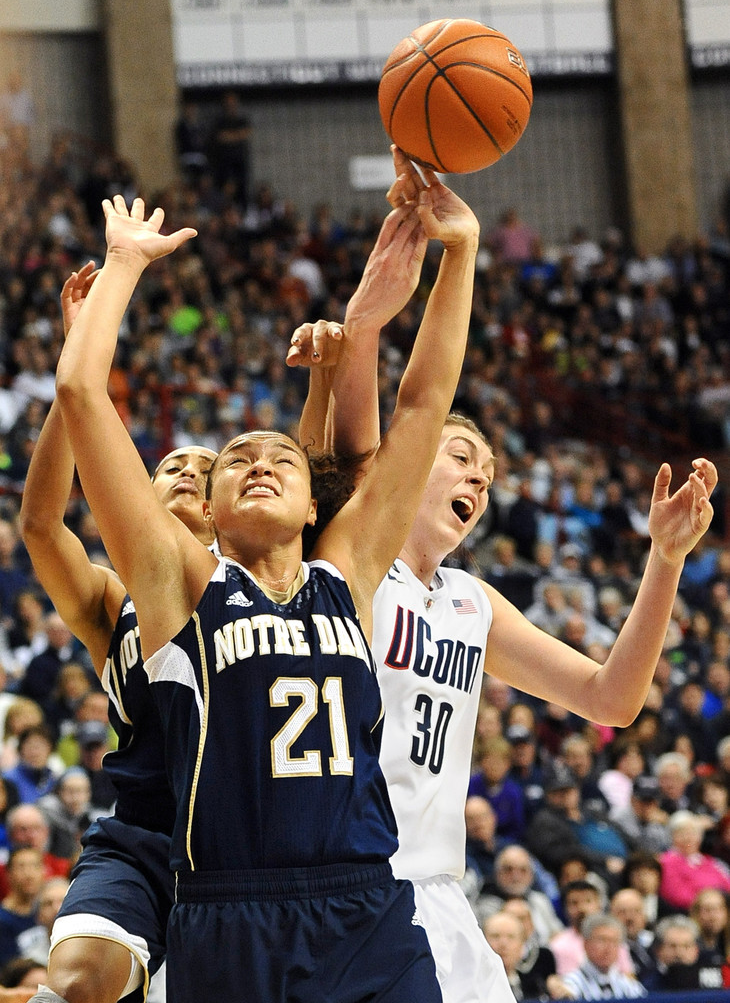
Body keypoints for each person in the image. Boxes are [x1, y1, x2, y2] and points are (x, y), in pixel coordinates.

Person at [53, 154, 479, 1003]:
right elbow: (80, 390)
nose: (259, 460)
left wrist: (457, 255)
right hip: (229, 913)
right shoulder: (181, 586)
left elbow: (425, 406)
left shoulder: (347, 572)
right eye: (237, 458)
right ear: (206, 507)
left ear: (309, 494)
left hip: (365, 909)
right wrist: (125, 269)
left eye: (280, 454)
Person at [290, 191, 717, 1003]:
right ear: (405, 468)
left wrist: (662, 560)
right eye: (461, 458)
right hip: (344, 887)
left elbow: (612, 698)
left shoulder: (472, 603)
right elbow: (378, 422)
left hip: (440, 895)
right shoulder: (352, 558)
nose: (479, 479)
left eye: (488, 476)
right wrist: (403, 293)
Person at [19, 262, 218, 1002]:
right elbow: (40, 526)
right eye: (171, 465)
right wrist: (76, 376)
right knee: (75, 984)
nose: (190, 473)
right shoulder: (113, 600)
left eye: (208, 468)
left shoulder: (258, 580)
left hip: (249, 843)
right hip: (141, 835)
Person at [561, 913, 647, 999]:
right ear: (585, 944)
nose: (608, 947)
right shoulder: (571, 985)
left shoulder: (628, 985)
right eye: (602, 940)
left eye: (614, 941)